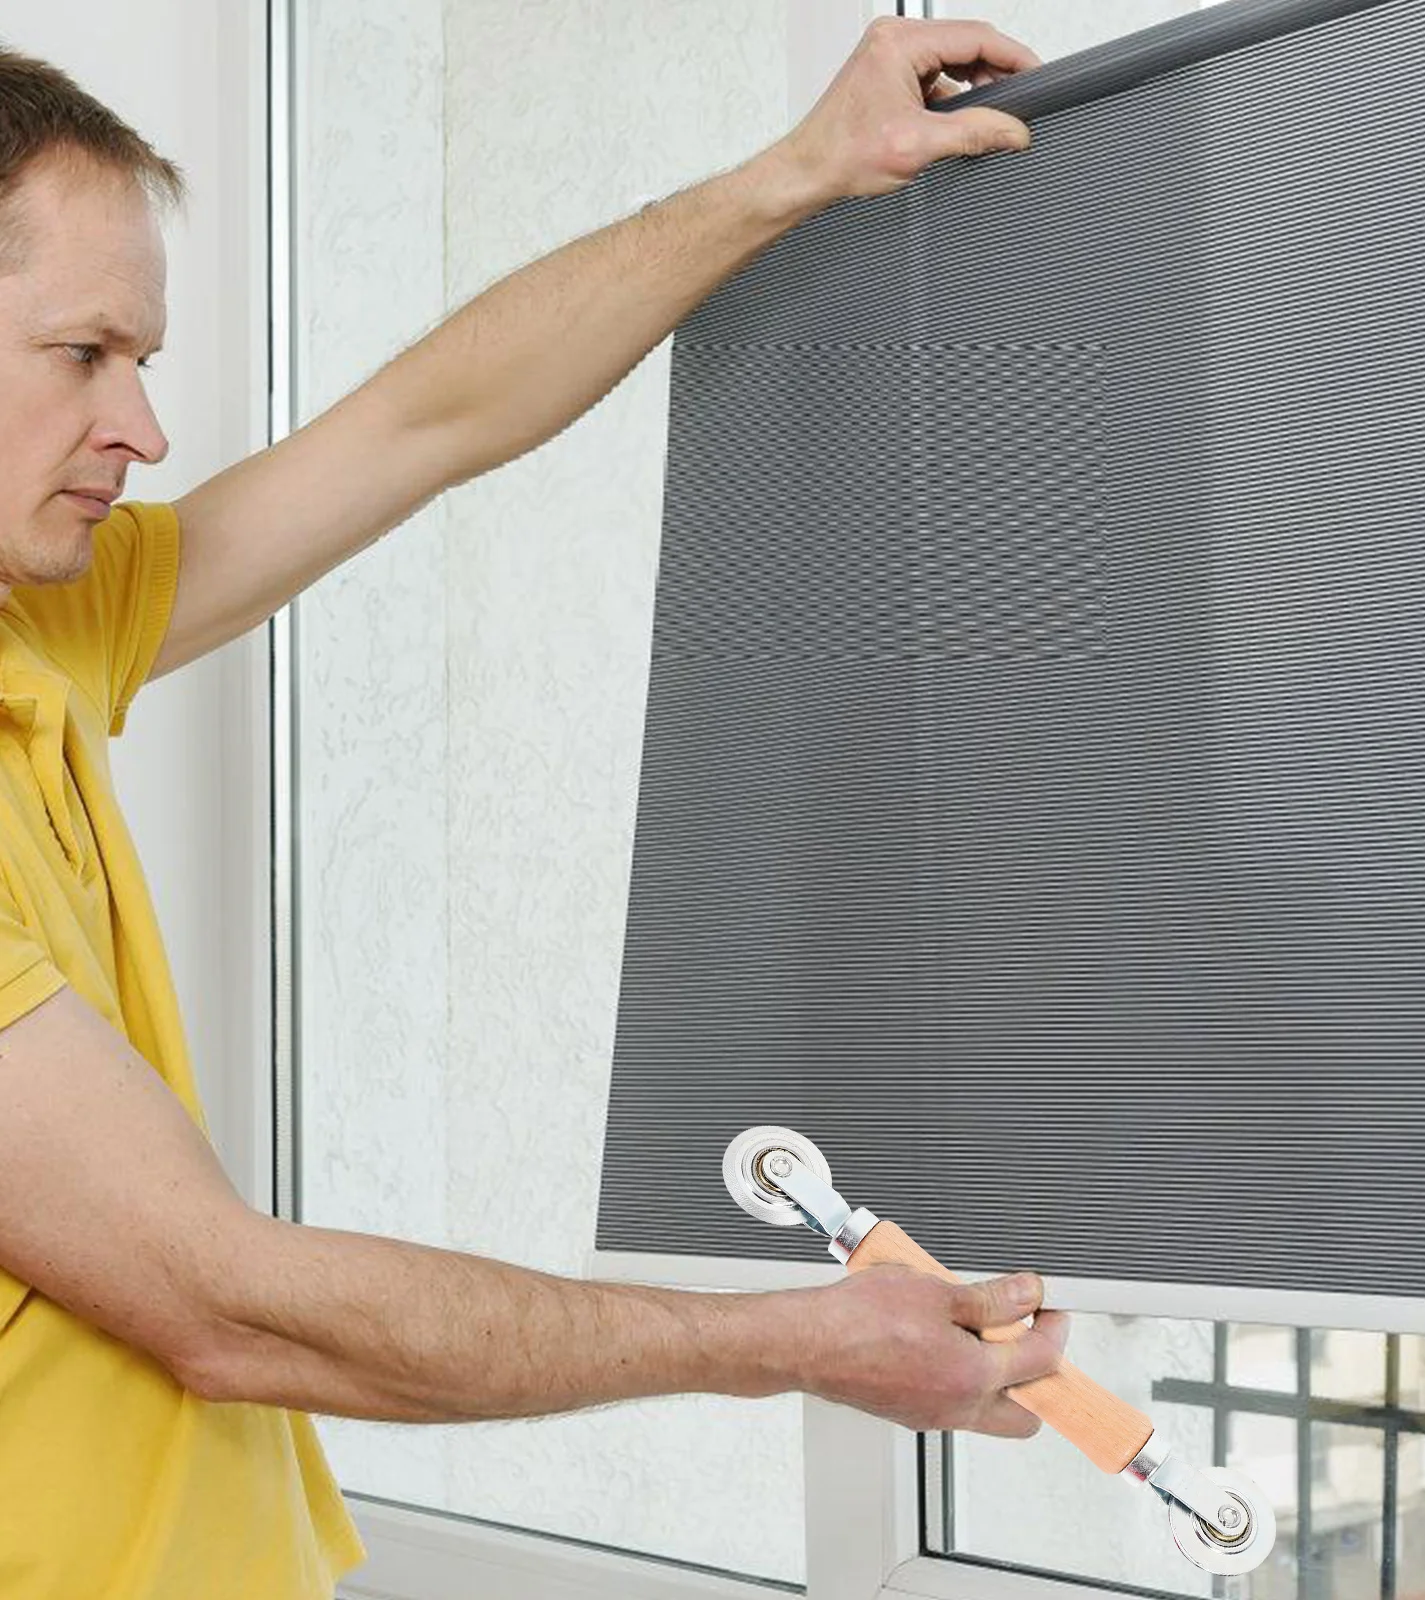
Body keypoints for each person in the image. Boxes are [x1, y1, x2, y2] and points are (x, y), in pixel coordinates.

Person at [0, 18, 1067, 1598]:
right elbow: (226, 1306)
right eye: (86, 353)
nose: (143, 430)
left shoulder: (44, 624)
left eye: (145, 364)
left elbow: (427, 421)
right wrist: (790, 1345)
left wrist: (796, 173)